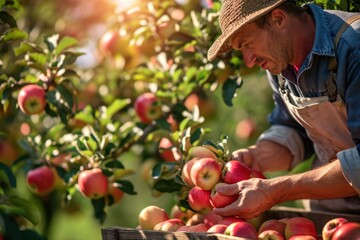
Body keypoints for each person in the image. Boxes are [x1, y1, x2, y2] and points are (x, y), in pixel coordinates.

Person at [207, 0, 360, 219]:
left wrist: (275, 191)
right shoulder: (280, 62)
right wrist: (255, 157)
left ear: (278, 19)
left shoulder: (353, 47)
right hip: (331, 215)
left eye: (248, 44)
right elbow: (295, 131)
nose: (249, 61)